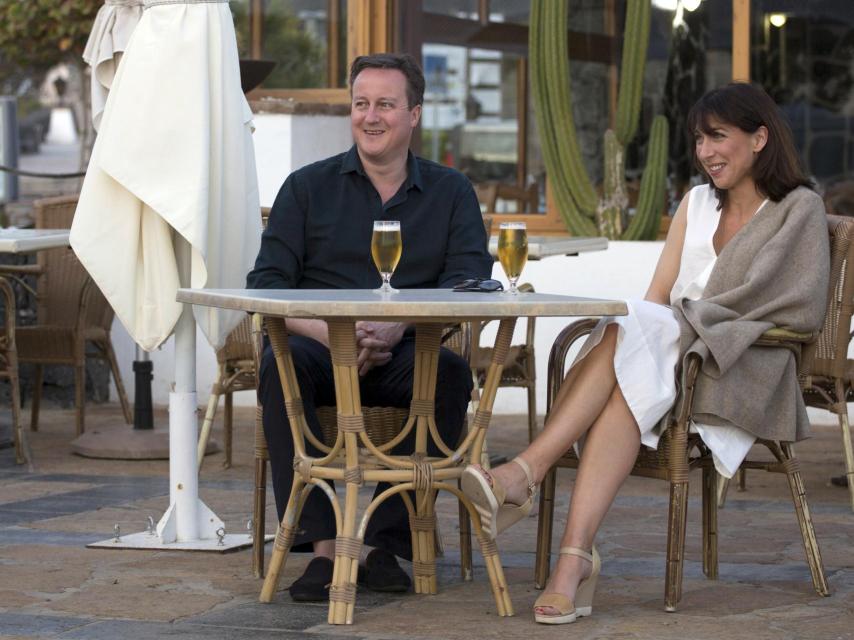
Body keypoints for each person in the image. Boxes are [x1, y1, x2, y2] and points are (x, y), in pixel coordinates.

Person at [462, 82, 830, 625]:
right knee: (627, 356)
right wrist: (659, 329)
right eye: (699, 139)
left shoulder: (798, 208)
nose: (705, 152)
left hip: (736, 362)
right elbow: (658, 297)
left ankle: (524, 475)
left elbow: (797, 303)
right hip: (673, 350)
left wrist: (682, 329)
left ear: (759, 139)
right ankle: (572, 561)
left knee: (629, 335)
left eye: (718, 137)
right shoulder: (697, 203)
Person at [247, 53, 492, 603]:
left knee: (450, 376)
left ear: (414, 115)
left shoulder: (451, 192)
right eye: (361, 104)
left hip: (405, 352)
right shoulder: (306, 188)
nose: (371, 116)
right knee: (275, 369)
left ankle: (385, 545)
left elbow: (471, 279)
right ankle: (322, 548)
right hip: (316, 347)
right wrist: (332, 333)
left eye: (386, 104)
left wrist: (398, 325)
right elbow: (265, 286)